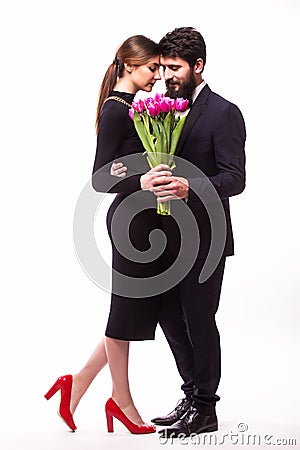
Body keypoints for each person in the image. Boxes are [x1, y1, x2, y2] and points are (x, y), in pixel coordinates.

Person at [112, 27, 246, 438]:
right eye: (164, 67)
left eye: (175, 68)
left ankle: (206, 408)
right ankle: (190, 396)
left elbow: (235, 179)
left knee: (199, 319)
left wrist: (192, 187)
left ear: (198, 66)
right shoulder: (164, 109)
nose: (166, 76)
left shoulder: (224, 112)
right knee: (170, 316)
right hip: (169, 237)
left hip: (206, 239)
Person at [44, 34, 166, 435]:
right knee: (124, 312)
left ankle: (77, 384)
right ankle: (122, 401)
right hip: (128, 222)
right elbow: (100, 178)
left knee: (130, 312)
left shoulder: (134, 107)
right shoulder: (117, 110)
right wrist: (141, 182)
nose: (157, 76)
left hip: (143, 220)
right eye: (152, 68)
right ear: (130, 65)